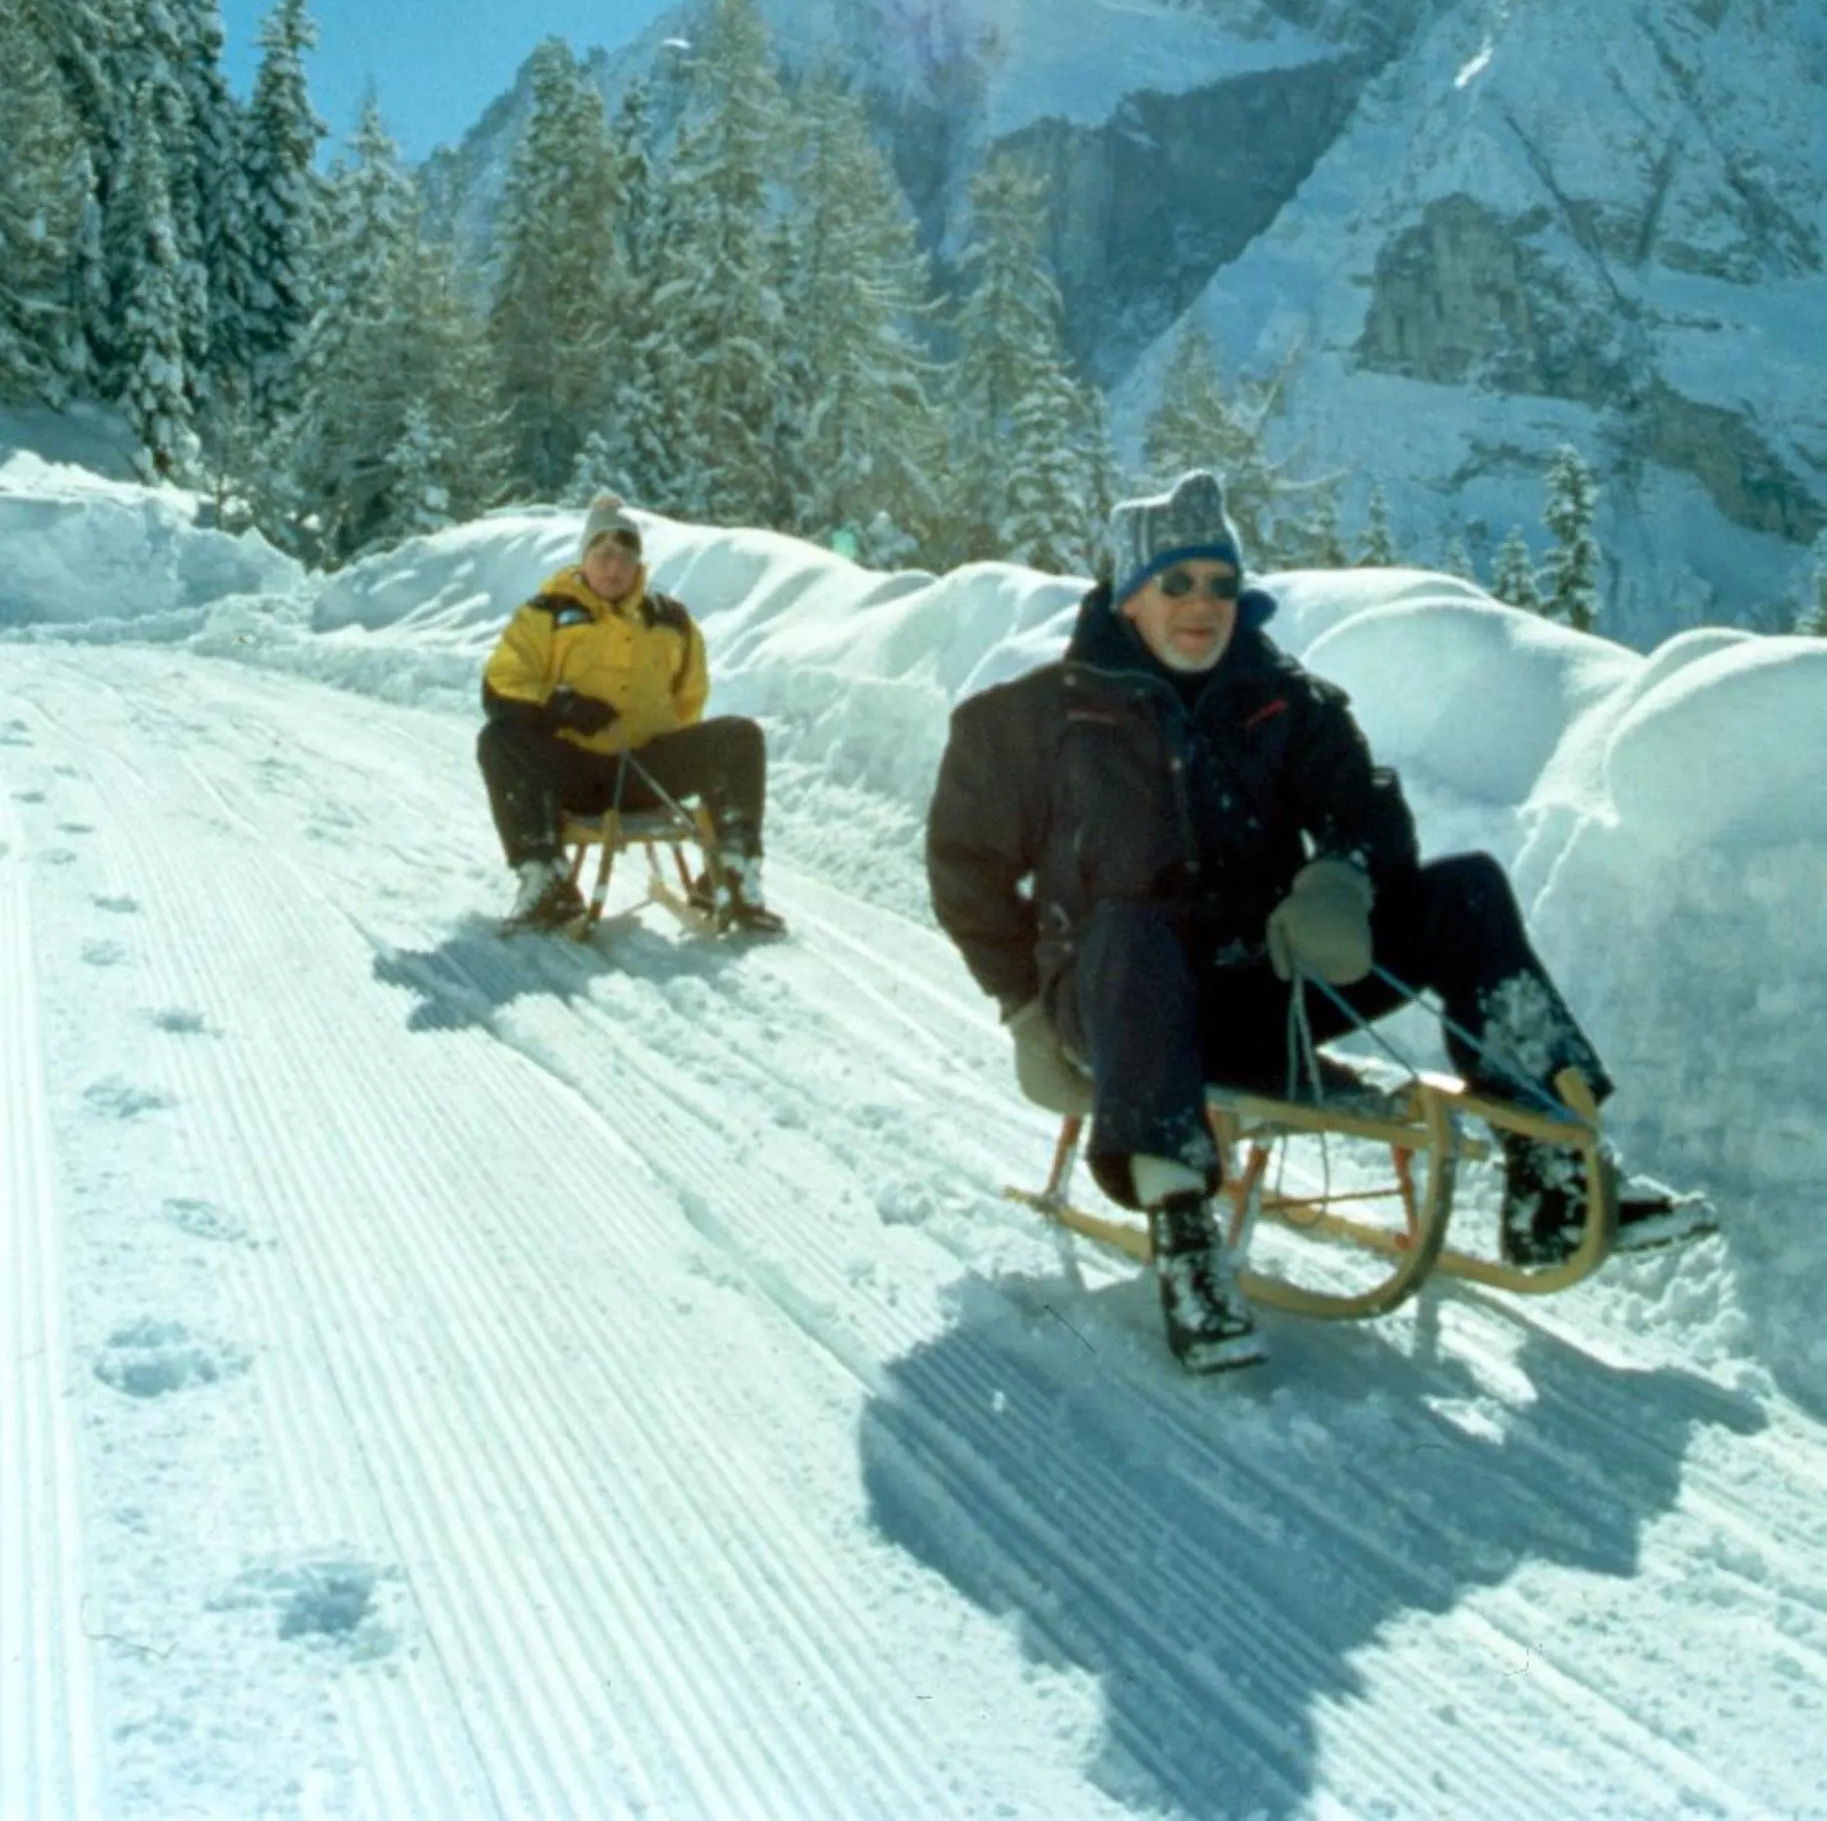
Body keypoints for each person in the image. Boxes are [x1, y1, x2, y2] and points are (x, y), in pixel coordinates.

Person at [926, 468, 1712, 1374]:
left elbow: (1367, 813)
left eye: (1220, 583)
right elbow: (964, 870)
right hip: (1115, 997)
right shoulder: (1032, 718)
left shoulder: (1282, 702)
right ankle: (1185, 1237)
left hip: (1265, 989)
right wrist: (1025, 1006)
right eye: (1176, 582)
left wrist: (1342, 877)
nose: (1202, 604)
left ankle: (1553, 1174)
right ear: (1129, 595)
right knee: (1132, 929)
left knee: (1464, 891)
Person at [478, 492, 783, 935]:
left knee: (739, 735)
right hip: (574, 774)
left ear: (639, 563)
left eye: (625, 556)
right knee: (499, 738)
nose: (614, 567)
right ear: (583, 558)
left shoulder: (670, 619)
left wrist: (668, 745)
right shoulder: (546, 614)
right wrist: (559, 705)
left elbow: (689, 701)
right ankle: (544, 877)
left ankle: (733, 873)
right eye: (602, 555)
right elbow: (501, 686)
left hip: (645, 771)